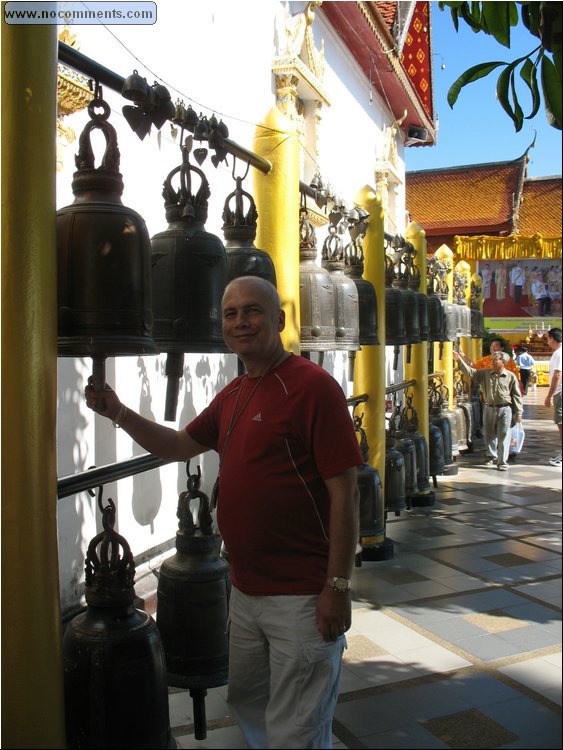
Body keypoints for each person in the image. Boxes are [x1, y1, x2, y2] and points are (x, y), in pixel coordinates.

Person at [85, 275, 363, 749]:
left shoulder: (313, 388)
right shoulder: (234, 395)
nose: (241, 322)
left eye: (252, 310)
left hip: (301, 596)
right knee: (249, 706)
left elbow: (346, 493)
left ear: (278, 319)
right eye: (231, 314)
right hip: (246, 591)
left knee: (297, 727)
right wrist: (118, 412)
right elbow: (176, 445)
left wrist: (337, 587)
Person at [454, 348, 523, 471]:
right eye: (492, 359)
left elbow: (516, 395)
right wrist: (459, 360)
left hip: (505, 409)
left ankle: (502, 462)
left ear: (503, 361)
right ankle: (491, 455)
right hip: (489, 408)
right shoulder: (484, 373)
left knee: (504, 435)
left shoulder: (510, 376)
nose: (493, 362)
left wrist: (518, 412)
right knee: (489, 434)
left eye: (495, 359)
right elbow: (470, 372)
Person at [545, 327, 562, 467]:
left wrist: (549, 396)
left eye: (548, 338)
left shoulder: (559, 354)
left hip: (560, 393)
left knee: (561, 424)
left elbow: (557, 375)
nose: (547, 341)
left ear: (552, 338)